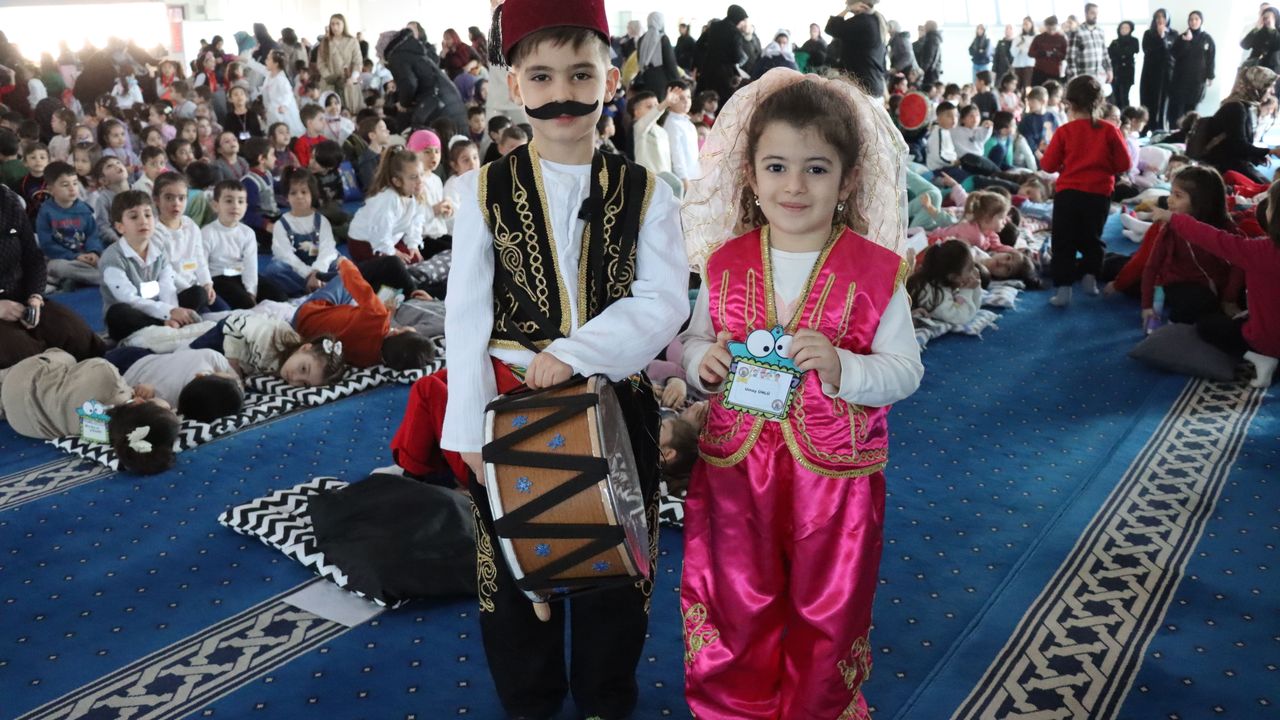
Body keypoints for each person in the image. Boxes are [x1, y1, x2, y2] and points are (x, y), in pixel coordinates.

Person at [442, 0, 690, 715]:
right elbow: (465, 314)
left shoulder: (649, 193)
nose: (562, 95)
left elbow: (664, 300)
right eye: (542, 77)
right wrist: (465, 431)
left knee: (620, 569)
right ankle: (531, 701)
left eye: (581, 74)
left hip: (618, 406)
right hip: (510, 408)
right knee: (514, 574)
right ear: (514, 85)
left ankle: (606, 697)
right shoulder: (481, 190)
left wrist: (580, 353)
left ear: (610, 80)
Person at [677, 70, 921, 718]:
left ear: (847, 180)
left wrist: (845, 367)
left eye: (816, 169)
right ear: (751, 176)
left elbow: (906, 370)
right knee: (736, 596)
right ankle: (734, 707)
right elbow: (695, 339)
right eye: (777, 167)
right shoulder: (725, 261)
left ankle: (818, 707)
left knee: (827, 605)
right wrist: (703, 362)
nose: (794, 186)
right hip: (736, 474)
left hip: (834, 483)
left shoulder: (877, 271)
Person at [1150, 182, 1280, 387]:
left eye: (1270, 205)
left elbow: (1213, 238)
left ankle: (1262, 357)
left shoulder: (1261, 251)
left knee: (1208, 325)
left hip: (1267, 341)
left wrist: (1173, 218)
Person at [1040, 75, 1132, 307]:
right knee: (1092, 237)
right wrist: (1104, 167)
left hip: (1068, 194)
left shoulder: (1064, 131)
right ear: (1100, 102)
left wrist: (1061, 162)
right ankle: (1090, 276)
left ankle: (1063, 289)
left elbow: (1048, 166)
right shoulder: (1110, 130)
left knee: (1063, 240)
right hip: (1099, 194)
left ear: (1069, 103)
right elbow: (1124, 164)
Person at [0, 185, 105, 368]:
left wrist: (35, 297)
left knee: (78, 337)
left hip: (22, 298)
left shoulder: (7, 200)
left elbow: (33, 257)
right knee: (26, 357)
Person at [1137, 166, 1243, 327]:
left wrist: (1229, 298)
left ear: (1202, 201)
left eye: (1178, 195)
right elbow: (1152, 266)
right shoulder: (1171, 229)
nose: (1169, 200)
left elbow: (1240, 264)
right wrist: (1146, 306)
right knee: (1199, 301)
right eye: (1171, 193)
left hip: (1217, 283)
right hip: (1181, 283)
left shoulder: (1226, 227)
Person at [99, 190, 201, 340]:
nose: (143, 221)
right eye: (134, 217)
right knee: (118, 313)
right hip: (133, 313)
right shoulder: (112, 258)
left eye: (148, 215)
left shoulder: (159, 249)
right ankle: (164, 326)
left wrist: (172, 311)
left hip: (160, 309)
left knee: (198, 293)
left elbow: (167, 287)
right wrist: (168, 313)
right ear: (120, 227)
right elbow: (128, 298)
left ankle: (170, 325)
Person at [202, 180, 284, 308]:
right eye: (229, 201)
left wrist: (251, 291)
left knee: (279, 296)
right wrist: (207, 285)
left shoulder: (247, 233)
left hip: (241, 273)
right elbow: (202, 265)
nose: (235, 206)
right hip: (219, 277)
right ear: (215, 205)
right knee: (245, 303)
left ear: (246, 206)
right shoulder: (207, 232)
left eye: (240, 201)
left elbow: (250, 265)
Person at [266, 167, 337, 297]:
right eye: (293, 193)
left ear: (312, 195)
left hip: (319, 266)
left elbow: (327, 249)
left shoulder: (322, 221)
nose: (299, 196)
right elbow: (285, 255)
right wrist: (309, 274)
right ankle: (315, 287)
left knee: (342, 263)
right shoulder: (281, 224)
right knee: (274, 270)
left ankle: (314, 286)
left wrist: (318, 272)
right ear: (286, 197)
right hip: (296, 269)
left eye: (304, 192)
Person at [35, 161, 102, 291]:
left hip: (86, 256)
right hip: (61, 259)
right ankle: (103, 279)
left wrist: (93, 252)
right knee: (58, 267)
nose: (72, 188)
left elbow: (93, 235)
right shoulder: (45, 212)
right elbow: (47, 244)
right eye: (65, 185)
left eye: (75, 183)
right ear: (51, 189)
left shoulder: (84, 209)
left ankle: (70, 280)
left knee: (107, 259)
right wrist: (74, 257)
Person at [907, 239, 984, 325]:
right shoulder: (934, 294)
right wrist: (967, 291)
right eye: (970, 269)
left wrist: (975, 287)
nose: (975, 270)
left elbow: (973, 309)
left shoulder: (942, 281)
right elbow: (961, 318)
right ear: (953, 277)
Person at [826, 1, 888, 97]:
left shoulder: (862, 21)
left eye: (848, 3)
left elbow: (831, 28)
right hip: (874, 83)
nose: (846, 4)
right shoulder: (876, 20)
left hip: (863, 84)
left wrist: (847, 10)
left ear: (858, 4)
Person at [926, 190, 1017, 253]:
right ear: (987, 218)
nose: (1005, 222)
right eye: (1002, 218)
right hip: (930, 241)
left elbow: (998, 246)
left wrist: (1015, 251)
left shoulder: (987, 230)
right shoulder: (975, 236)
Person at [1167, 11, 1216, 128]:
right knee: (1177, 109)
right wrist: (1186, 42)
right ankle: (1175, 131)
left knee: (1192, 110)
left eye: (1196, 19)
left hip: (1197, 81)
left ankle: (1189, 132)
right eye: (1191, 19)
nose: (1193, 22)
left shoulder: (1207, 38)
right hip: (1180, 80)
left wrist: (1210, 76)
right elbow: (1174, 54)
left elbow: (1211, 59)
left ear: (1201, 21)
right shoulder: (1182, 37)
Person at [695, 5, 751, 103]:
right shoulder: (735, 32)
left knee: (705, 101)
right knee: (721, 103)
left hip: (707, 69)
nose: (743, 23)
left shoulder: (714, 26)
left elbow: (699, 44)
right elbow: (737, 58)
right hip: (724, 75)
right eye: (742, 20)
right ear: (738, 18)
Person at [317, 14, 362, 112]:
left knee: (349, 110)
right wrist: (329, 77)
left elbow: (357, 61)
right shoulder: (325, 42)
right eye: (332, 24)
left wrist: (353, 77)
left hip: (348, 81)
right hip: (329, 82)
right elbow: (321, 63)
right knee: (331, 110)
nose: (335, 27)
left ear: (343, 24)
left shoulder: (352, 41)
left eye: (338, 24)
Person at [1141, 9, 1176, 133]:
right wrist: (1159, 37)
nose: (1160, 20)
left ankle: (1160, 129)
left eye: (1163, 17)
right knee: (1148, 99)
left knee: (1163, 102)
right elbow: (1147, 50)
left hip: (1166, 73)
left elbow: (1171, 52)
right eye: (1158, 17)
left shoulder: (1173, 34)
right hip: (1150, 72)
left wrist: (1162, 37)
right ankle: (1146, 127)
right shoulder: (1148, 33)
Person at [635, 12, 680, 101]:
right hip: (661, 77)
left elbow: (639, 59)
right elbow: (670, 62)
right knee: (660, 103)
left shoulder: (641, 39)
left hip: (645, 76)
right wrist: (678, 81)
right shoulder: (663, 38)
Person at [1068, 3, 1112, 85]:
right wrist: (1074, 77)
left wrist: (1109, 70)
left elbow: (1104, 53)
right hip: (1082, 76)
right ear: (1086, 14)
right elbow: (1071, 57)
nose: (1095, 16)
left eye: (1097, 13)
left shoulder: (1100, 31)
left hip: (1098, 76)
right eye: (1092, 13)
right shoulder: (1077, 32)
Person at [1029, 16, 1067, 85]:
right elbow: (1030, 53)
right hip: (1039, 70)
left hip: (1054, 72)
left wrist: (1057, 54)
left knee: (1053, 90)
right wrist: (1041, 53)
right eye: (1049, 29)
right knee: (1038, 90)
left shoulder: (1061, 39)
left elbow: (1066, 55)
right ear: (1045, 27)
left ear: (1057, 26)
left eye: (1053, 29)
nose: (1051, 31)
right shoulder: (1039, 38)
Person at [1109, 22, 1139, 109]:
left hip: (1127, 72)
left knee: (1124, 96)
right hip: (1115, 71)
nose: (1124, 30)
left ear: (1131, 30)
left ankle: (1126, 115)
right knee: (1116, 96)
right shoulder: (1114, 42)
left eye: (1127, 28)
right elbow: (1110, 53)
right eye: (1122, 28)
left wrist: (1120, 52)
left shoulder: (1134, 40)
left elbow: (1133, 50)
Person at [1241, 7, 1280, 73]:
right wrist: (1256, 29)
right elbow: (1244, 45)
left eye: (1270, 17)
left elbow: (1277, 45)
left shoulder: (1277, 33)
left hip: (1271, 70)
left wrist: (1272, 28)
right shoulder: (1259, 31)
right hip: (1253, 69)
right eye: (1265, 17)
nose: (1267, 20)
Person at [915, 20, 944, 87]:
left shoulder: (931, 39)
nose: (924, 26)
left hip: (929, 73)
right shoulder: (934, 38)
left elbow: (929, 57)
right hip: (933, 72)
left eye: (926, 25)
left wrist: (923, 70)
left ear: (929, 27)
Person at [1012, 17, 1036, 89]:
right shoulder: (1018, 37)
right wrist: (1019, 45)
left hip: (1029, 65)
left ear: (1031, 24)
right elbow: (1013, 53)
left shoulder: (1035, 37)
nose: (1025, 26)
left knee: (1027, 86)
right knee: (1017, 86)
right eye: (1023, 24)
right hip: (1018, 65)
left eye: (1026, 24)